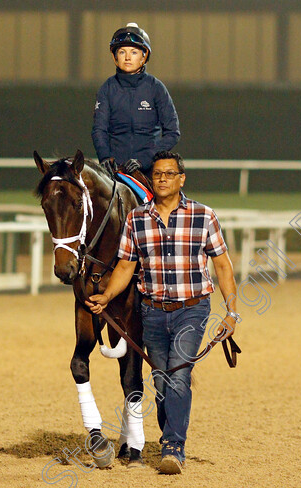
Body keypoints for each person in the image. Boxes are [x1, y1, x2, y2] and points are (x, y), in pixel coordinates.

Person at [86, 151, 239, 475]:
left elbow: (222, 265)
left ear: (181, 179)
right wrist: (107, 295)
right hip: (152, 312)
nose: (163, 179)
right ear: (152, 179)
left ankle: (172, 446)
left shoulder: (203, 216)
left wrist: (232, 312)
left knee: (179, 374)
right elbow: (126, 266)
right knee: (161, 380)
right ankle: (171, 436)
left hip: (192, 310)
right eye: (157, 174)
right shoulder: (137, 220)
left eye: (169, 174)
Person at [92, 23, 181, 177]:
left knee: (172, 198)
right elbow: (99, 130)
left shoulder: (156, 88)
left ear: (144, 56)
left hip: (150, 170)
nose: (127, 57)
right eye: (122, 52)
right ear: (115, 57)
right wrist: (105, 157)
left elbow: (173, 133)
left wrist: (144, 160)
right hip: (115, 171)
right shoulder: (107, 89)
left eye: (134, 52)